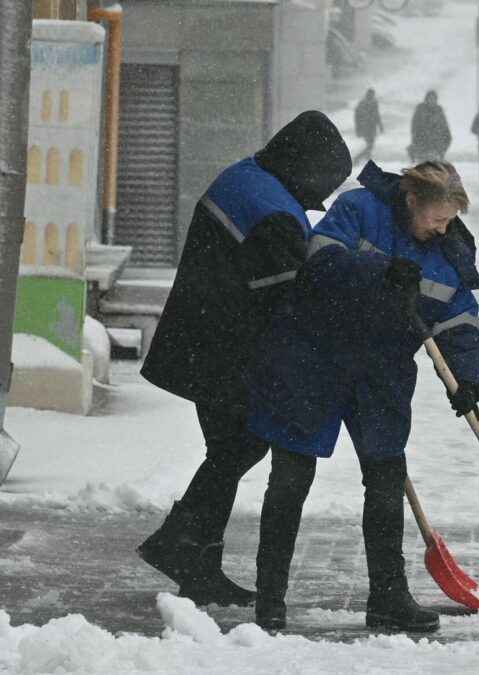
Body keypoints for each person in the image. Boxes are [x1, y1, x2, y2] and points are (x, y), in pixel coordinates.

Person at [244, 159, 479, 632]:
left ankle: (388, 599)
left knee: (385, 478)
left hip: (382, 372)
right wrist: (380, 271)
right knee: (292, 475)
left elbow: (459, 321)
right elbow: (319, 262)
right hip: (315, 358)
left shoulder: (449, 251)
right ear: (412, 199)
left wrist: (468, 380)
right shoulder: (359, 209)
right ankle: (270, 598)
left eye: (450, 221)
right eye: (437, 218)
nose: (442, 230)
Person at [137, 111, 352, 607]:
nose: (319, 201)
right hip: (219, 350)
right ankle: (183, 548)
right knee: (240, 446)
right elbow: (288, 299)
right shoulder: (273, 211)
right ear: (304, 167)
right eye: (320, 186)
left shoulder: (246, 176)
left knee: (233, 447)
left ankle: (191, 555)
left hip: (200, 339)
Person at [409, 90, 451, 163]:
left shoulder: (439, 110)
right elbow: (414, 127)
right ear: (426, 99)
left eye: (434, 99)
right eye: (430, 98)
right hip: (422, 144)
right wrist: (416, 140)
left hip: (435, 145)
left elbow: (444, 127)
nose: (432, 100)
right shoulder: (420, 109)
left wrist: (444, 144)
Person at [354, 88, 385, 164]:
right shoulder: (363, 103)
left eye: (372, 94)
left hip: (371, 127)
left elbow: (377, 115)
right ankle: (357, 158)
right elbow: (357, 117)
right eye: (371, 94)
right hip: (366, 128)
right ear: (368, 94)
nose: (372, 96)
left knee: (370, 145)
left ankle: (367, 161)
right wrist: (358, 129)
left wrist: (380, 126)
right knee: (370, 146)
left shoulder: (374, 103)